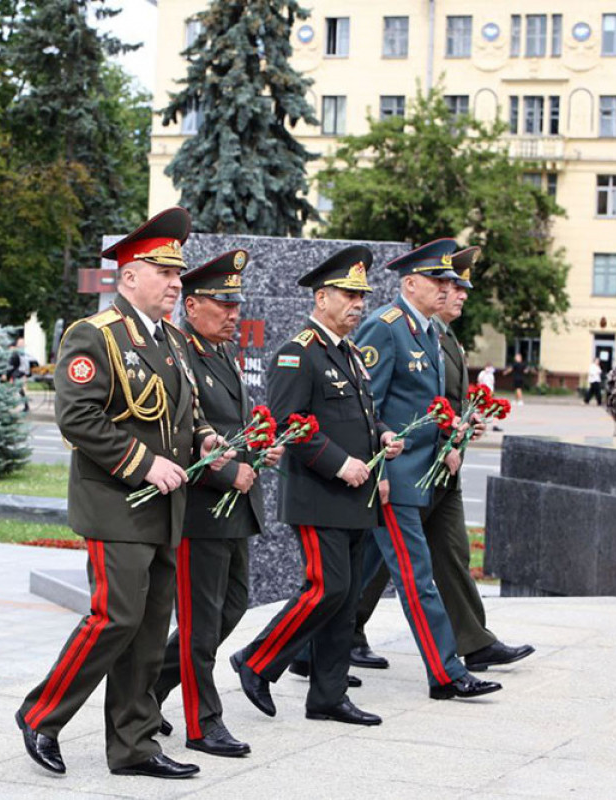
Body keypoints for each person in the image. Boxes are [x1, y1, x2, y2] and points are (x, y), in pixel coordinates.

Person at [15, 207, 230, 780]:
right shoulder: (95, 334)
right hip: (116, 503)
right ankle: (41, 714)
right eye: (164, 271)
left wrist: (210, 442)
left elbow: (187, 414)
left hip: (164, 508)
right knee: (115, 616)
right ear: (129, 276)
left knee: (148, 626)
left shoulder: (174, 342)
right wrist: (145, 463)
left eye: (177, 273)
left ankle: (134, 744)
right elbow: (78, 418)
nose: (176, 282)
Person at [229, 245, 401, 727]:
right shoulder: (296, 352)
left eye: (361, 297)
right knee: (328, 588)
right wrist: (340, 463)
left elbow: (362, 413)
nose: (357, 304)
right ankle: (257, 660)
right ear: (321, 297)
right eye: (348, 295)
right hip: (319, 494)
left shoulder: (348, 352)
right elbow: (289, 422)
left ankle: (328, 695)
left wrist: (383, 434)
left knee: (344, 602)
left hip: (356, 495)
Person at [352, 238, 502, 700]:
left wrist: (451, 437)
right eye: (437, 280)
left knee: (360, 576)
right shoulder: (386, 327)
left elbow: (429, 406)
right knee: (415, 577)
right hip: (395, 477)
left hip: (425, 474)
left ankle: (296, 653)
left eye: (447, 280)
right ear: (410, 283)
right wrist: (377, 472)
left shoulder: (427, 332)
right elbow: (363, 406)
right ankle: (447, 672)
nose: (446, 287)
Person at [153, 249, 282, 757]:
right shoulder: (179, 354)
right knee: (200, 623)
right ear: (191, 307)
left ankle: (147, 687)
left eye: (236, 305)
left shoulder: (222, 353)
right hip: (201, 509)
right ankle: (203, 724)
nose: (233, 314)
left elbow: (227, 430)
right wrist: (230, 470)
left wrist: (256, 451)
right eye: (222, 304)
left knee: (231, 608)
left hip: (234, 508)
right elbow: (181, 435)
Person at [418, 250, 533, 670]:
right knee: (373, 564)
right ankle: (316, 647)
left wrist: (463, 428)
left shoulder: (447, 338)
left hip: (442, 464)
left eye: (462, 287)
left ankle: (475, 642)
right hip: (418, 464)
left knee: (453, 552)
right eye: (453, 287)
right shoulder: (417, 335)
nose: (461, 295)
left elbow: (448, 401)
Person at [7, 335, 32, 412]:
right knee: (20, 391)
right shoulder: (17, 353)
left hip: (18, 374)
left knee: (14, 390)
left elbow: (13, 366)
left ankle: (24, 406)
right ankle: (26, 406)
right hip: (18, 374)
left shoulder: (16, 354)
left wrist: (9, 376)